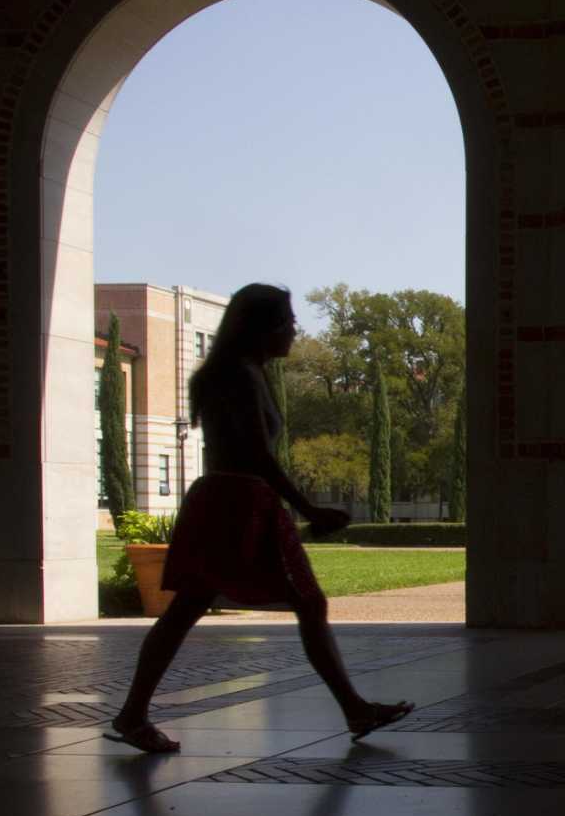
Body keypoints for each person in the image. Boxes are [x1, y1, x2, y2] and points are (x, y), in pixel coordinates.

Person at [106, 283, 413, 753]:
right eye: (287, 321)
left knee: (189, 608)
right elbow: (255, 455)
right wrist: (308, 508)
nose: (294, 330)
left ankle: (133, 714)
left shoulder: (238, 373)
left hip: (223, 498)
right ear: (263, 327)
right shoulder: (242, 377)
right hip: (239, 501)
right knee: (303, 602)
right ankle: (354, 708)